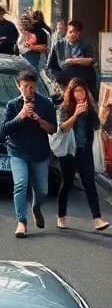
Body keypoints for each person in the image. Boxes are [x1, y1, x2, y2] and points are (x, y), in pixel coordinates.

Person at [1, 69, 57, 238]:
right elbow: (3, 129)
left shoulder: (45, 103)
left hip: (39, 152)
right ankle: (21, 222)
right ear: (19, 87)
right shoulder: (13, 105)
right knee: (20, 184)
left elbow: (53, 129)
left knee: (43, 190)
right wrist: (20, 116)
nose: (28, 90)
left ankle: (36, 207)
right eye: (25, 87)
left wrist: (39, 120)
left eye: (31, 87)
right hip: (17, 151)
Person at [52, 77, 110, 232]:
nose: (80, 94)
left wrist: (94, 106)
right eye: (77, 91)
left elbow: (97, 126)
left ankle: (97, 219)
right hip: (69, 153)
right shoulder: (65, 108)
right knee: (67, 184)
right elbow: (62, 128)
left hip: (85, 151)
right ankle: (61, 216)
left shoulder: (89, 109)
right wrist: (76, 114)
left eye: (83, 90)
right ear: (71, 93)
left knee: (90, 184)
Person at [47, 18, 98, 96]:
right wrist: (58, 79)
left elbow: (91, 60)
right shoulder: (58, 45)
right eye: (71, 32)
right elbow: (50, 66)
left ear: (79, 33)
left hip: (83, 83)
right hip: (65, 83)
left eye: (76, 32)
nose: (73, 34)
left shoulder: (85, 44)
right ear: (67, 31)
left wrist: (72, 61)